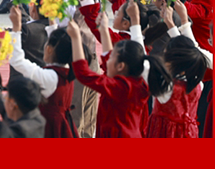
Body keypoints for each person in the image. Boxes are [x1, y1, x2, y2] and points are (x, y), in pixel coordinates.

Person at [70, 10, 173, 138]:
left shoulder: (120, 87)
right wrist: (103, 30)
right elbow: (107, 56)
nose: (107, 60)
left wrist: (75, 38)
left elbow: (83, 74)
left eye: (112, 57)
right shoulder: (135, 82)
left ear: (120, 66)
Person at [10, 5, 89, 137]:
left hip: (50, 129)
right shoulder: (68, 68)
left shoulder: (49, 76)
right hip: (63, 125)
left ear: (49, 49)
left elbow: (17, 61)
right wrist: (52, 21)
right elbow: (58, 42)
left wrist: (16, 28)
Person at [145, 3, 212, 138]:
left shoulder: (164, 86)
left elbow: (143, 65)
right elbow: (191, 51)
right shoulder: (198, 85)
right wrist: (173, 24)